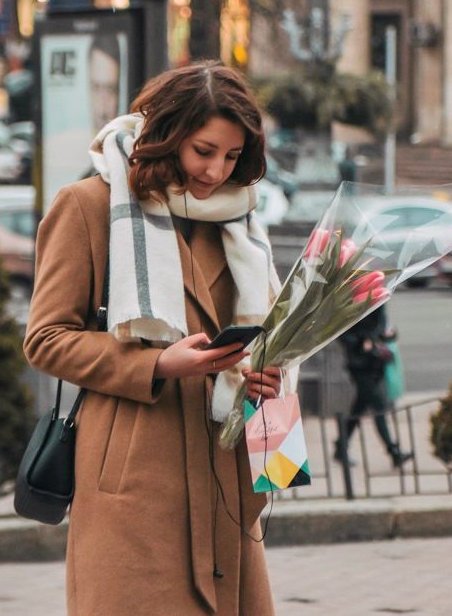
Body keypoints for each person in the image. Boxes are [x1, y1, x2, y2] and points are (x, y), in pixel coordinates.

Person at [24, 61, 286, 615]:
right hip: (138, 470)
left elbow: (262, 331)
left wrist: (265, 369)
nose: (217, 171)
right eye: (204, 151)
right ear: (164, 137)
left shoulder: (238, 222)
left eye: (233, 156)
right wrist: (158, 363)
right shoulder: (88, 206)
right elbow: (45, 339)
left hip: (225, 469)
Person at [334, 303, 412, 469]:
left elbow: (383, 326)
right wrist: (361, 343)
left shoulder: (377, 299)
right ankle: (394, 452)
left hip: (375, 362)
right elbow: (342, 332)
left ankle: (341, 446)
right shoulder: (350, 301)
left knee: (359, 407)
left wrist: (387, 335)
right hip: (359, 364)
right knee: (379, 406)